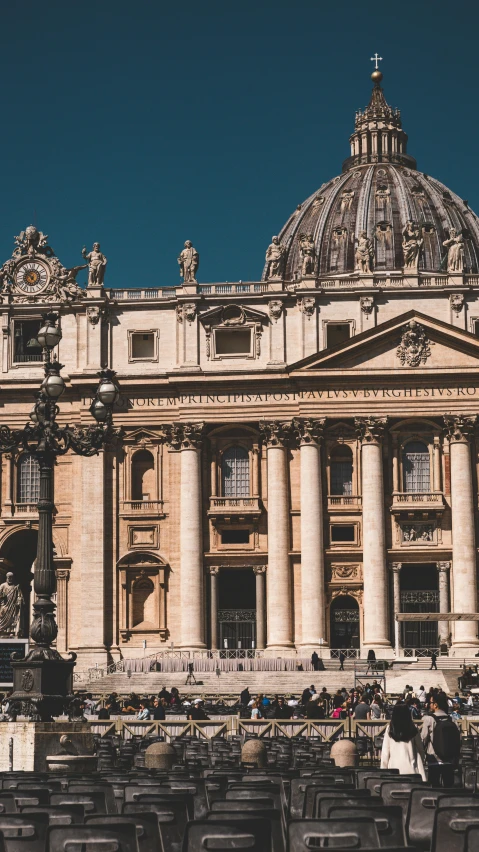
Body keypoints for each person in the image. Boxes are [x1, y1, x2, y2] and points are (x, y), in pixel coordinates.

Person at [421, 691, 461, 787]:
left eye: (431, 703)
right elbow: (459, 740)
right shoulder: (452, 720)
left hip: (433, 759)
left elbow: (423, 738)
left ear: (435, 705)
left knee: (434, 788)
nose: (429, 705)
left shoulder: (429, 719)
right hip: (449, 760)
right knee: (449, 788)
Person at [381, 703, 427, 780]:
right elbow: (420, 748)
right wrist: (422, 761)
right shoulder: (413, 728)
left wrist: (383, 770)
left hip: (394, 769)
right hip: (412, 769)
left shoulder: (390, 729)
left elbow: (385, 752)